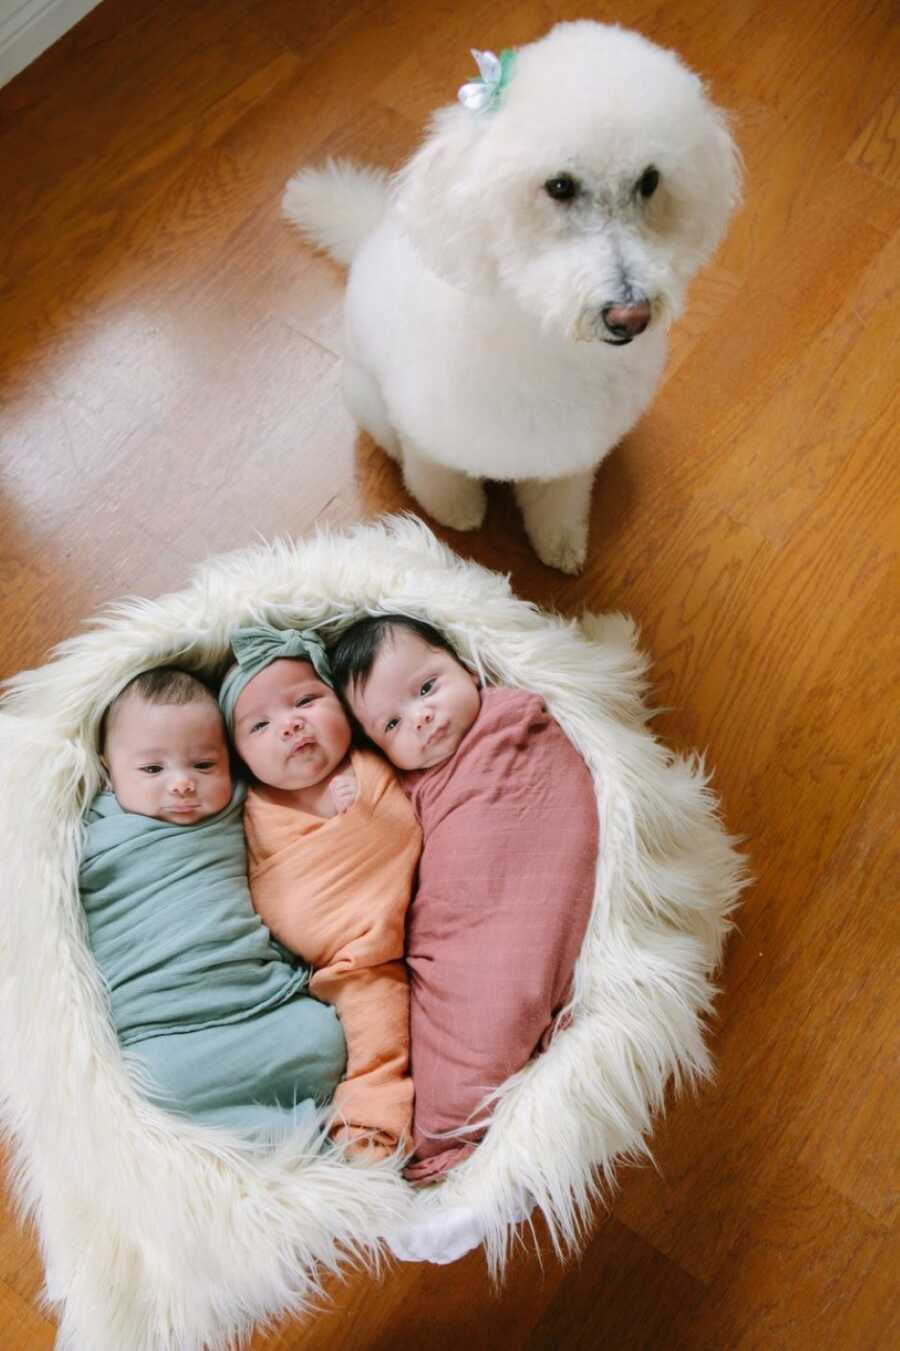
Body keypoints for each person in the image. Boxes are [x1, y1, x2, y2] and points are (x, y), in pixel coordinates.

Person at [331, 615, 598, 1182]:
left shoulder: (512, 721)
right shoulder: (406, 787)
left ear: (463, 664)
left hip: (524, 895)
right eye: (393, 723)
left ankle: (459, 1126)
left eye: (427, 688)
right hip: (458, 930)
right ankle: (452, 1131)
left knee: (509, 985)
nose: (422, 718)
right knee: (456, 1017)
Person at [80, 667, 346, 1140]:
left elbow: (292, 810)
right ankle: (288, 1137)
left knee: (326, 1042)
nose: (182, 785)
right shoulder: (95, 831)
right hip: (163, 1030)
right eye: (152, 769)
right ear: (106, 771)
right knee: (152, 1086)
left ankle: (278, 1136)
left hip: (258, 1002)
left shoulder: (244, 802)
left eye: (204, 766)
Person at [218, 626, 420, 1158]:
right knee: (367, 1040)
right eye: (260, 725)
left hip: (403, 920)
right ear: (239, 758)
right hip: (337, 961)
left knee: (383, 1047)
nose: (291, 725)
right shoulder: (249, 806)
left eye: (306, 700)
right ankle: (345, 1145)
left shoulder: (372, 757)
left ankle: (372, 1139)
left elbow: (405, 826)